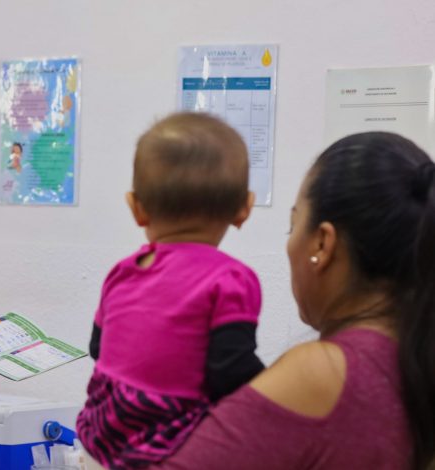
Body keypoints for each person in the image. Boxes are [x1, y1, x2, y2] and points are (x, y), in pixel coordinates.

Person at [154, 131, 434, 469]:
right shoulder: (416, 356)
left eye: (293, 224)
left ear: (322, 244)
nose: (290, 244)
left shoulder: (323, 373)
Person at [76, 112, 263, 469]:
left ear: (137, 209)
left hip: (102, 435)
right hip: (174, 441)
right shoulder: (232, 280)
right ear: (244, 209)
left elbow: (98, 348)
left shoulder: (123, 272)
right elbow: (230, 371)